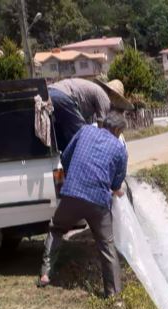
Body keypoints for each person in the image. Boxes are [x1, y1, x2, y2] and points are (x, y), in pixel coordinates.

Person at [38, 112, 128, 296]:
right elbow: (115, 186)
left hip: (72, 194)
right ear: (118, 131)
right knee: (107, 246)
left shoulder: (85, 131)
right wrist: (119, 191)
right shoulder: (120, 149)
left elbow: (65, 158)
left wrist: (75, 176)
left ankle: (45, 274)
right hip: (98, 202)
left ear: (104, 124)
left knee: (56, 228)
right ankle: (113, 295)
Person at [48, 77, 133, 150]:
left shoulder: (93, 92)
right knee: (83, 137)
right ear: (112, 94)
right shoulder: (104, 96)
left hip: (49, 93)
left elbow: (84, 122)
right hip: (63, 97)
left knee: (63, 138)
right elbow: (102, 127)